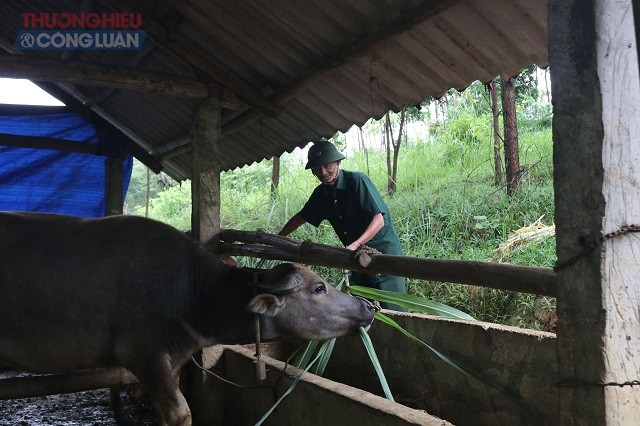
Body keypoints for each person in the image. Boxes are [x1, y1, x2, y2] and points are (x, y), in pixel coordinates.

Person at [278, 141, 407, 311]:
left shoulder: (357, 181)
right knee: (364, 307)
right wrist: (278, 237)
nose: (323, 172)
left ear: (338, 162)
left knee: (393, 307)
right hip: (355, 257)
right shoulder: (321, 194)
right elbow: (301, 217)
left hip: (382, 253)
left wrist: (355, 244)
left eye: (327, 165)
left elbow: (378, 220)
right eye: (317, 168)